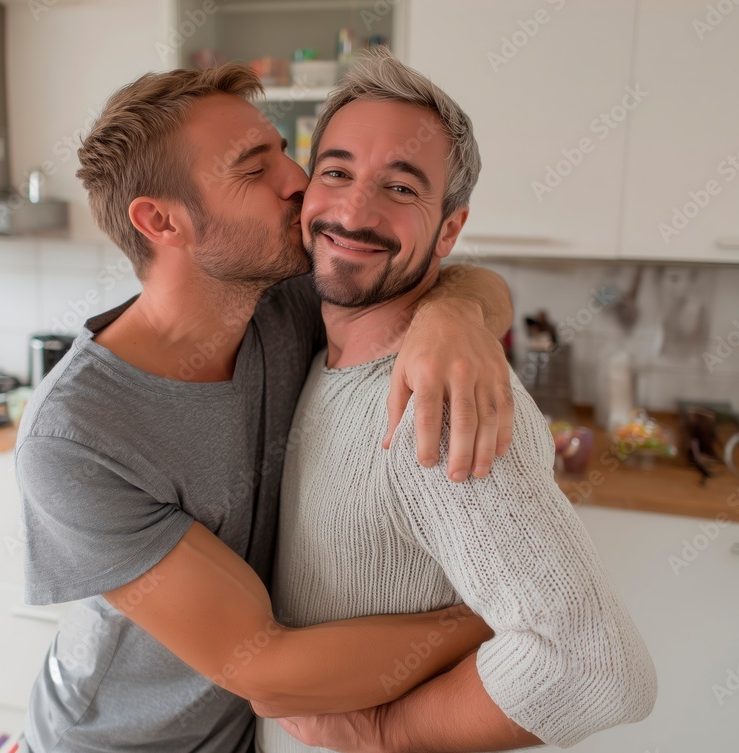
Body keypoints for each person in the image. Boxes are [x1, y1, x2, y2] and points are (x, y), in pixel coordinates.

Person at [15, 62, 517, 753]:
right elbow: (264, 664)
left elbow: (471, 275)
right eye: (255, 170)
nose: (299, 181)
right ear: (161, 219)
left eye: (285, 150)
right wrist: (500, 617)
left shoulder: (281, 301)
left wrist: (457, 313)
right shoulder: (76, 439)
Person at [256, 49, 658, 753]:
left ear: (448, 229)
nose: (353, 209)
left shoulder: (436, 406)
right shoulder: (313, 347)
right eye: (337, 172)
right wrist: (464, 303)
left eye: (402, 188)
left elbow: (595, 668)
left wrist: (387, 731)